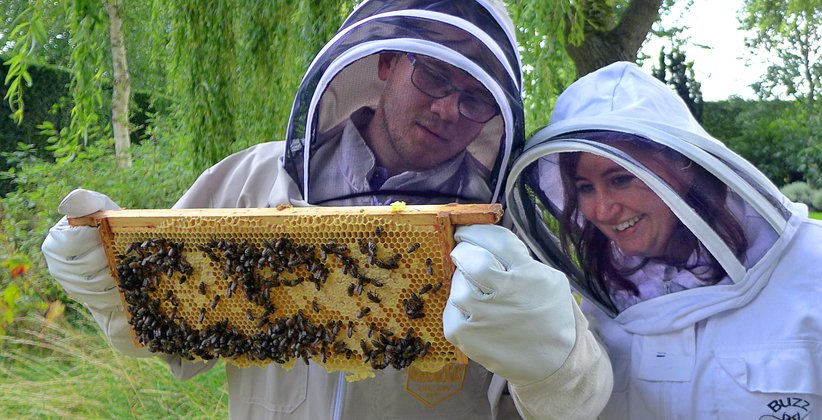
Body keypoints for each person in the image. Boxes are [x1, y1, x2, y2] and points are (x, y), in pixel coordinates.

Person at [40, 1, 612, 418]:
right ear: (384, 62)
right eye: (433, 75)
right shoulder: (252, 178)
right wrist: (111, 289)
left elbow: (578, 398)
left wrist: (556, 363)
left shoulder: (504, 225)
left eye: (475, 98)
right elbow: (178, 342)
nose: (446, 108)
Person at [504, 61, 822, 419]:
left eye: (622, 179)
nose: (601, 210)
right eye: (584, 187)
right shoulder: (595, 304)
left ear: (683, 166)